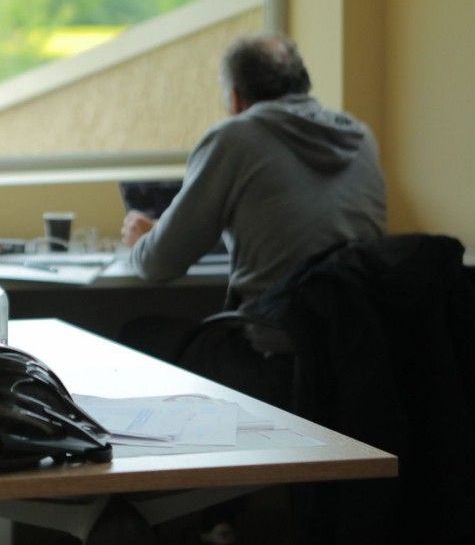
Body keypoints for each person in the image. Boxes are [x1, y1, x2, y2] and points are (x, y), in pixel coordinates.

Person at [120, 35, 387, 402]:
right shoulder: (361, 137)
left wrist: (140, 241)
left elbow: (158, 264)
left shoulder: (236, 137)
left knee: (137, 336)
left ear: (234, 99)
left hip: (273, 364)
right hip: (357, 364)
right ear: (303, 86)